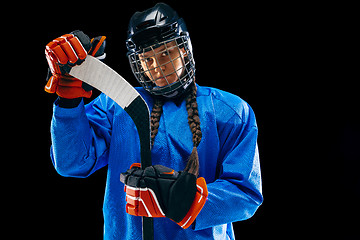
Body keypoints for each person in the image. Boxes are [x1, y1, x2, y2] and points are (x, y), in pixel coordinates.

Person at [45, 3, 263, 240]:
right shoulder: (116, 105)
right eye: (147, 59)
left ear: (185, 50)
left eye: (166, 53)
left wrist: (186, 199)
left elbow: (245, 193)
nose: (157, 67)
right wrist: (68, 103)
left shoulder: (230, 111)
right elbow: (72, 163)